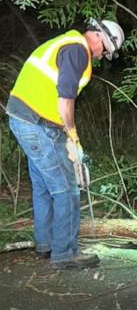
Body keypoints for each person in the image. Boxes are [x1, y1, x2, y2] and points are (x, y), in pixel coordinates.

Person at [6, 18, 125, 269]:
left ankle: (46, 244)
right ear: (99, 37)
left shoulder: (66, 43)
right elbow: (65, 101)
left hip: (28, 120)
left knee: (43, 187)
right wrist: (74, 137)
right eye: (106, 50)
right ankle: (65, 253)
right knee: (66, 189)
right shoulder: (77, 51)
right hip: (35, 123)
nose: (103, 56)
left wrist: (64, 137)